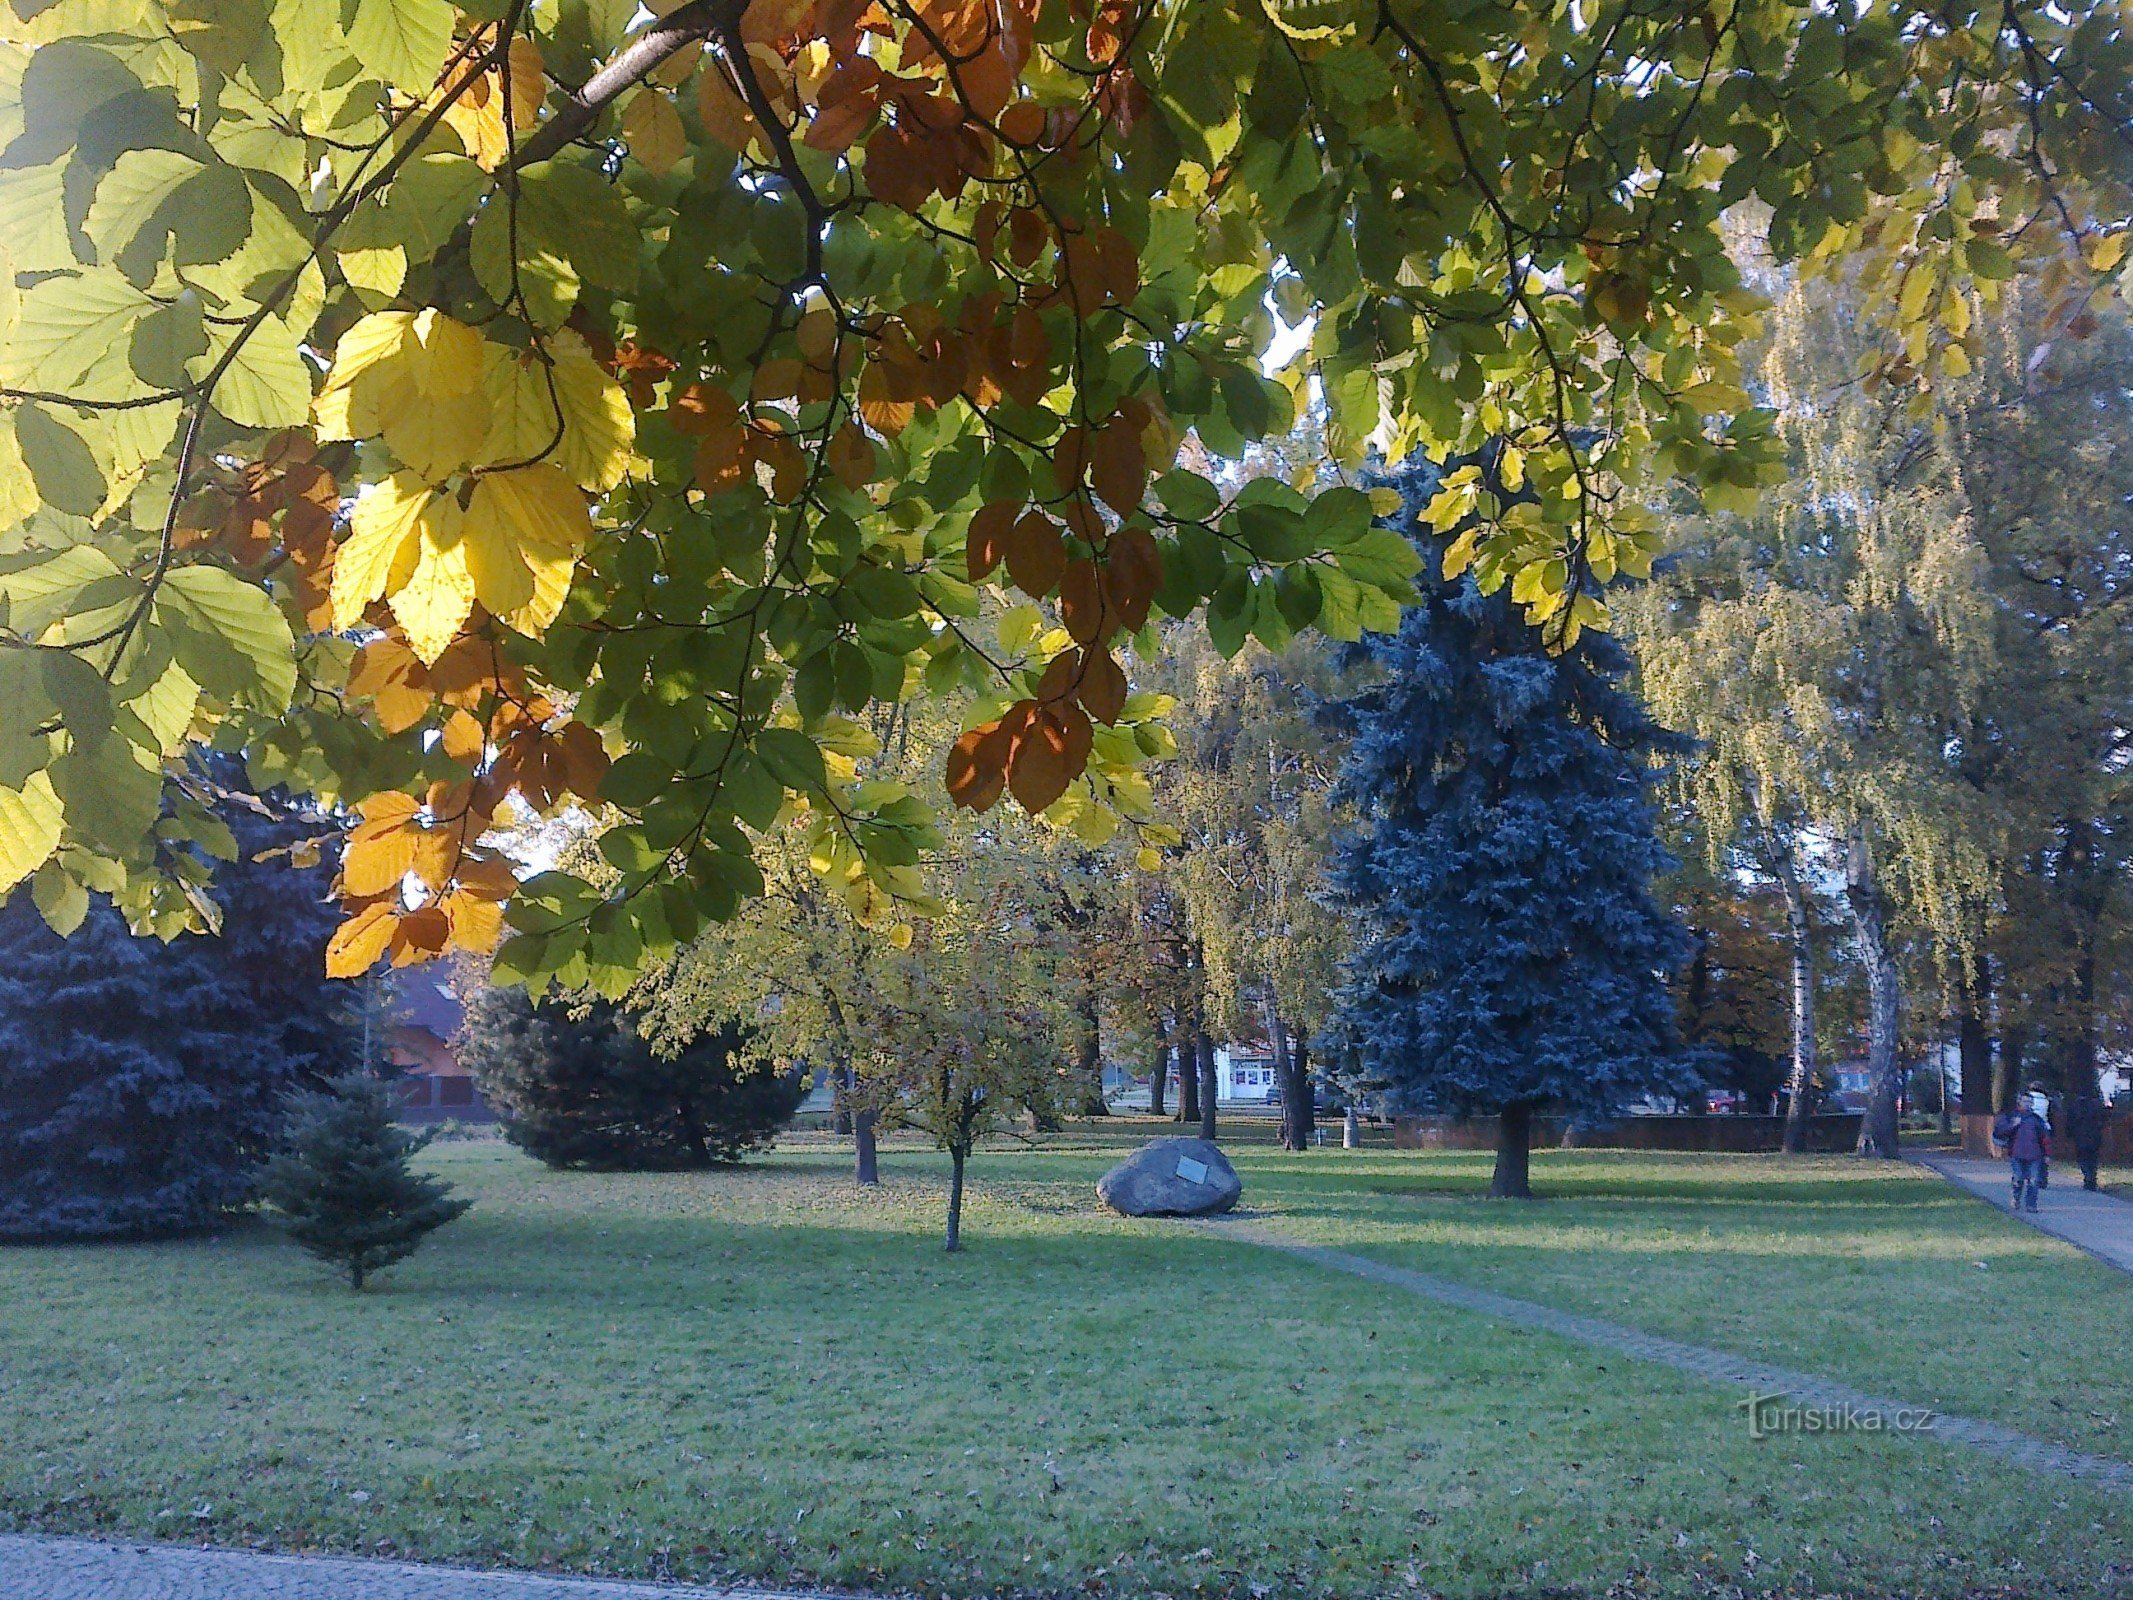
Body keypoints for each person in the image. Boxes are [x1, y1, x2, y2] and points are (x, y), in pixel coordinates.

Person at [1992, 1090, 2052, 1213]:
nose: (2027, 1104)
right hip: (2017, 1153)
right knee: (2018, 1178)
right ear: (2019, 1102)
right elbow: (1999, 1132)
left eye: (2030, 1102)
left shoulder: (2037, 1119)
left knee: (2034, 1180)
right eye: (2025, 1101)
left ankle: (2031, 1205)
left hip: (2035, 1154)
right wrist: (2013, 1125)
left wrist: (2047, 1154)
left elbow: (2045, 1138)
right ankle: (2016, 1198)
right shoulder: (2011, 1116)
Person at [2067, 1091, 2107, 1193]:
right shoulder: (2096, 1105)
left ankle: (2087, 1177)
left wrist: (2070, 1134)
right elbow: (2103, 1118)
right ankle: (2092, 1178)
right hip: (2094, 1135)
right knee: (2093, 1158)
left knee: (2082, 1158)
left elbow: (2070, 1122)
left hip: (2080, 1135)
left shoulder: (2075, 1106)